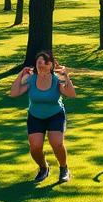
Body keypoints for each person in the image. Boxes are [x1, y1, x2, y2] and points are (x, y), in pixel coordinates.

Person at [8, 50, 77, 183]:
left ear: (50, 65)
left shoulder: (57, 79)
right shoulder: (31, 79)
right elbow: (14, 93)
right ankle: (43, 168)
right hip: (35, 116)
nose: (40, 66)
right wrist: (20, 75)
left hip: (55, 115)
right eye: (38, 63)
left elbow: (71, 94)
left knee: (56, 143)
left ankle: (63, 168)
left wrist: (66, 77)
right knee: (35, 147)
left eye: (43, 63)